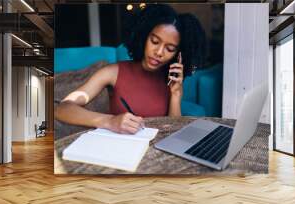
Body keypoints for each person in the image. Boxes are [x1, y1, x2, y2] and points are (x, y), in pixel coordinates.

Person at [55, 4, 206, 134]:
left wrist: (176, 94)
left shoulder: (171, 81)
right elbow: (63, 108)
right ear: (143, 37)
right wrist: (110, 121)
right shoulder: (113, 72)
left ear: (178, 55)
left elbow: (174, 129)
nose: (159, 52)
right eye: (154, 41)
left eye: (170, 48)